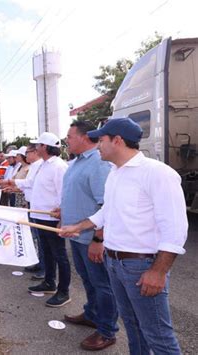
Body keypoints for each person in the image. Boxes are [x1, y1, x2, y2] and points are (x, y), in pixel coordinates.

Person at [60, 118, 188, 354]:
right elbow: (106, 211)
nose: (98, 145)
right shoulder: (115, 173)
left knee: (158, 335)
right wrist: (78, 226)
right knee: (133, 327)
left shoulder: (158, 173)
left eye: (101, 140)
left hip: (141, 266)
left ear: (117, 140)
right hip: (115, 263)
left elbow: (175, 229)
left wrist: (158, 271)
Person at [57, 121, 118, 351]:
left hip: (90, 238)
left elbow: (106, 205)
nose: (67, 141)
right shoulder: (76, 162)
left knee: (103, 285)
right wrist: (62, 210)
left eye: (70, 136)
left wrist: (98, 240)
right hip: (76, 236)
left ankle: (107, 331)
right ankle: (92, 314)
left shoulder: (98, 164)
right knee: (89, 281)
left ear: (84, 137)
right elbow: (78, 194)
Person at [25, 132, 71, 307]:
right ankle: (49, 282)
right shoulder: (44, 165)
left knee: (59, 255)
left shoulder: (59, 166)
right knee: (47, 252)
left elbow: (63, 194)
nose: (36, 148)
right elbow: (32, 185)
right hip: (40, 215)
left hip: (52, 219)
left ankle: (64, 291)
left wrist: (62, 218)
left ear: (44, 147)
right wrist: (12, 182)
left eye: (38, 145)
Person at [0, 143, 45, 279]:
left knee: (40, 238)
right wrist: (11, 187)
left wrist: (10, 184)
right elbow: (27, 185)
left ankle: (44, 268)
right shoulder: (33, 166)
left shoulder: (38, 166)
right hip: (30, 204)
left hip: (35, 205)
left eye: (28, 153)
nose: (25, 155)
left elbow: (29, 184)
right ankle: (39, 263)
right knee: (35, 236)